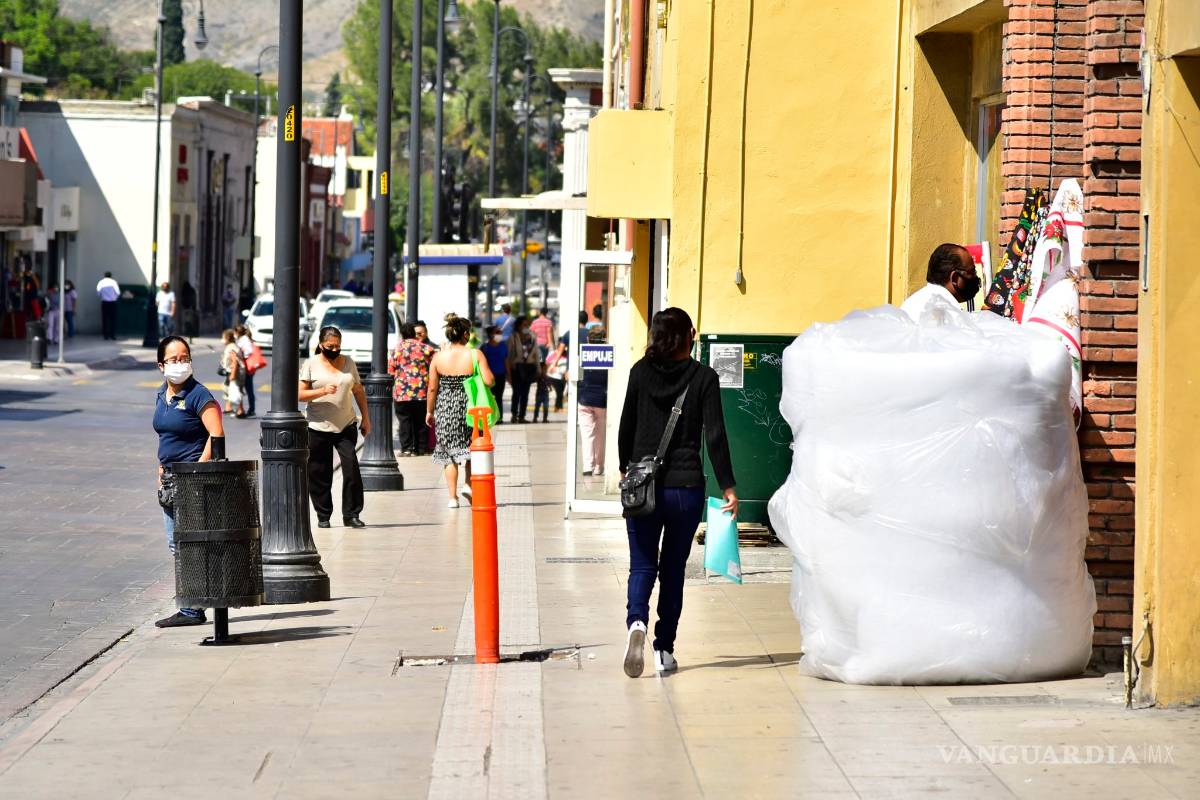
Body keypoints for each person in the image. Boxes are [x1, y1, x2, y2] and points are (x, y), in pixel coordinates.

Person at [618, 307, 737, 677]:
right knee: (672, 570)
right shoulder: (704, 377)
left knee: (641, 564)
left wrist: (629, 468)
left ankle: (636, 622)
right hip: (685, 490)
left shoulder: (639, 372)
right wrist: (728, 485)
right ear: (691, 334)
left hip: (644, 488)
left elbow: (626, 426)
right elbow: (714, 436)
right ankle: (663, 648)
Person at [152, 335, 224, 627]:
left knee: (190, 544)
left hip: (192, 479)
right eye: (174, 359)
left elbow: (216, 436)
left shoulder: (199, 395)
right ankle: (191, 606)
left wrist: (197, 470)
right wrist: (160, 468)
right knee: (177, 545)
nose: (181, 363)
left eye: (185, 358)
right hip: (170, 479)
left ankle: (193, 609)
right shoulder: (162, 394)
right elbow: (166, 434)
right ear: (161, 365)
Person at [300, 326, 369, 529]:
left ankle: (351, 514)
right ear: (321, 345)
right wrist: (321, 391)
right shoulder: (311, 364)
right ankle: (323, 515)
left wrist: (366, 418)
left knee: (351, 469)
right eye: (330, 346)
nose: (335, 349)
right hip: (317, 426)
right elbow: (299, 394)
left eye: (338, 346)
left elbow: (358, 391)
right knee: (319, 472)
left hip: (345, 424)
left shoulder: (348, 363)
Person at [427, 316, 494, 508]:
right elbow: (489, 381)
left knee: (449, 455)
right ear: (466, 334)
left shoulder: (438, 357)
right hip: (472, 408)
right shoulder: (475, 355)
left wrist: (429, 412)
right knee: (473, 448)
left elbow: (432, 389)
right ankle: (468, 485)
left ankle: (452, 498)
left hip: (446, 408)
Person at [388, 322, 437, 456]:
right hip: (422, 391)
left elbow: (390, 370)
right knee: (422, 420)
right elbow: (435, 368)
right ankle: (423, 448)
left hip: (402, 392)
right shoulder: (426, 349)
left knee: (405, 420)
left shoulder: (397, 350)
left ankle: (408, 449)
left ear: (402, 334)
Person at [900, 243, 981, 323]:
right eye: (972, 272)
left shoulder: (912, 302)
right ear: (955, 278)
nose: (975, 277)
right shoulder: (947, 313)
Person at [578, 326, 610, 475]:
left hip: (585, 399)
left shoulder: (583, 355)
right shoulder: (609, 355)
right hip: (602, 399)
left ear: (588, 339)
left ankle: (587, 466)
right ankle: (599, 466)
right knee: (600, 434)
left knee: (587, 434)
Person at [506, 316, 540, 424]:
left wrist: (538, 368)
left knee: (525, 393)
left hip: (529, 367)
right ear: (518, 325)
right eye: (523, 325)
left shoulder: (532, 337)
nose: (526, 327)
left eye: (527, 325)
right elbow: (509, 355)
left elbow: (536, 354)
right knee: (516, 392)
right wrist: (509, 372)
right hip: (517, 368)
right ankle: (514, 415)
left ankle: (522, 416)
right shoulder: (513, 337)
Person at [479, 325, 508, 422]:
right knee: (489, 397)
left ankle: (499, 417)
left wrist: (509, 375)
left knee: (499, 396)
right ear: (491, 334)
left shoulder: (503, 346)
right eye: (497, 332)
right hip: (488, 376)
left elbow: (506, 361)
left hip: (500, 375)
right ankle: (489, 417)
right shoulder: (484, 347)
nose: (500, 334)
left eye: (500, 332)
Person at [235, 324, 260, 418]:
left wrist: (241, 354)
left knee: (247, 388)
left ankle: (251, 409)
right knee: (247, 388)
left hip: (246, 367)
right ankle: (248, 409)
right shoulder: (244, 339)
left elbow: (248, 352)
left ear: (238, 332)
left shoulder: (244, 340)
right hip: (246, 367)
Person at [221, 329, 246, 418]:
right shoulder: (232, 346)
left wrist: (233, 374)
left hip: (235, 372)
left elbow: (234, 360)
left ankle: (240, 410)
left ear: (227, 338)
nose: (222, 339)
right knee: (232, 389)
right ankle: (231, 408)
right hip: (235, 371)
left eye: (223, 337)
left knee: (235, 390)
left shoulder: (231, 348)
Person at [96, 271, 120, 340]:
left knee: (105, 319)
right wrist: (114, 298)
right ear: (111, 276)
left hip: (104, 302)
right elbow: (118, 292)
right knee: (113, 319)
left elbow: (98, 292)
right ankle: (112, 335)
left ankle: (105, 335)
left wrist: (103, 296)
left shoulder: (101, 282)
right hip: (113, 302)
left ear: (104, 276)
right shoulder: (114, 282)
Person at [533, 358, 550, 422]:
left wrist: (550, 388)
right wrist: (539, 375)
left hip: (546, 394)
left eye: (545, 369)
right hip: (539, 394)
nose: (545, 370)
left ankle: (545, 418)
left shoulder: (547, 376)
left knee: (546, 407)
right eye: (543, 369)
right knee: (537, 406)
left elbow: (549, 384)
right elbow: (535, 380)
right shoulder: (539, 376)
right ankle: (535, 418)